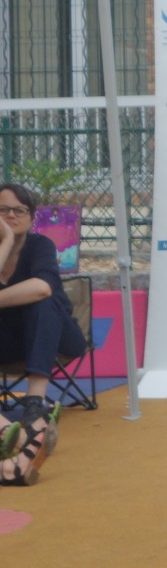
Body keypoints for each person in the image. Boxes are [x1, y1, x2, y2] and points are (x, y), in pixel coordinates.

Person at [0, 182, 86, 487]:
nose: (11, 215)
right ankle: (26, 435)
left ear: (31, 216)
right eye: (3, 210)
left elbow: (42, 287)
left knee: (42, 300)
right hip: (11, 343)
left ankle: (35, 403)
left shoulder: (40, 246)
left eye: (19, 210)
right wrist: (6, 241)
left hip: (58, 337)